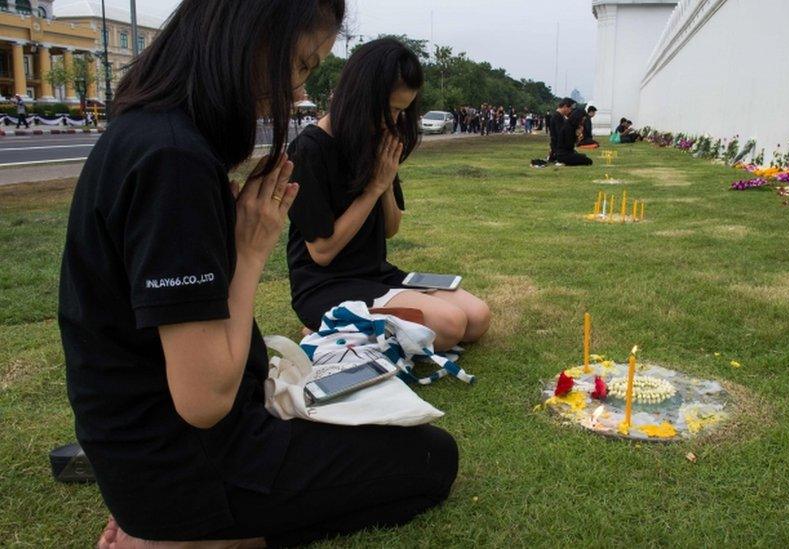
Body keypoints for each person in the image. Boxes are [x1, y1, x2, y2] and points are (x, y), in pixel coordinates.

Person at [59, 2, 458, 547]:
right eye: (298, 65)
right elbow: (204, 402)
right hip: (186, 463)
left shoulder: (151, 135)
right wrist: (250, 252)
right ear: (243, 42)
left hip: (149, 457)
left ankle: (183, 527)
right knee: (432, 459)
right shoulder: (173, 162)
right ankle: (199, 536)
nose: (296, 93)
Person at [286, 38, 491, 353]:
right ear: (363, 97)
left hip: (375, 273)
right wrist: (374, 188)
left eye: (402, 111)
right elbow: (322, 252)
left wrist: (386, 180)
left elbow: (391, 229)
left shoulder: (374, 139)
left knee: (477, 318)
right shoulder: (309, 150)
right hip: (326, 283)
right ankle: (326, 324)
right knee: (450, 326)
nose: (394, 122)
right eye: (391, 110)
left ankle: (348, 325)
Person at [548, 98, 575, 162]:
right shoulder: (557, 117)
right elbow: (560, 135)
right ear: (565, 106)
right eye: (570, 108)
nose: (570, 111)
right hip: (559, 149)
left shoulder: (559, 116)